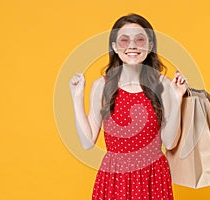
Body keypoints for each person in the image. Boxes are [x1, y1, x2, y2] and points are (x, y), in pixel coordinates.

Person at [69, 13, 187, 200]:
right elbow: (87, 142)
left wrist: (177, 97)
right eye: (124, 40)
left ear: (150, 46)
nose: (132, 46)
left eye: (140, 39)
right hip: (115, 177)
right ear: (114, 47)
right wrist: (76, 97)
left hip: (153, 176)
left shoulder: (163, 85)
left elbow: (171, 142)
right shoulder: (102, 85)